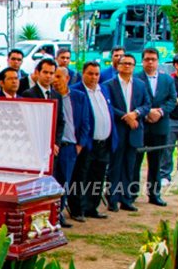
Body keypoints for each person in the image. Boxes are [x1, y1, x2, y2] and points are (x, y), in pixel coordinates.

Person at [70, 62, 116, 221]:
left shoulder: (104, 89)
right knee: (81, 176)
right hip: (86, 143)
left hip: (103, 143)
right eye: (90, 73)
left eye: (96, 74)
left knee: (98, 176)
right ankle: (77, 209)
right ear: (83, 73)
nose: (94, 77)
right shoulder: (76, 91)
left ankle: (92, 207)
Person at [104, 54, 150, 212]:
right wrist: (126, 116)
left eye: (131, 64)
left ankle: (126, 199)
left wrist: (135, 114)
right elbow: (108, 106)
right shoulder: (109, 85)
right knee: (115, 166)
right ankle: (112, 199)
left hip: (134, 131)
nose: (127, 66)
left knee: (130, 166)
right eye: (124, 63)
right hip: (118, 130)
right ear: (118, 65)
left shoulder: (140, 85)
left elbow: (147, 104)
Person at [134, 48, 178, 206]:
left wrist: (160, 112)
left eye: (153, 59)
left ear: (158, 61)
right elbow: (133, 100)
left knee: (156, 163)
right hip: (141, 126)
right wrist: (146, 113)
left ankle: (154, 194)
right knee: (136, 162)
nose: (150, 62)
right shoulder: (136, 78)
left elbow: (172, 99)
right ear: (142, 61)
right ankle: (131, 194)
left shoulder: (167, 80)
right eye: (147, 59)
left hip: (160, 126)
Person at [53, 66, 91, 226]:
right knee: (52, 182)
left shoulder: (79, 97)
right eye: (53, 76)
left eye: (58, 76)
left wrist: (80, 144)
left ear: (67, 78)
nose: (55, 80)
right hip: (54, 147)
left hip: (70, 146)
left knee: (64, 182)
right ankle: (52, 215)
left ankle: (60, 213)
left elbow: (85, 121)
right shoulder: (50, 96)